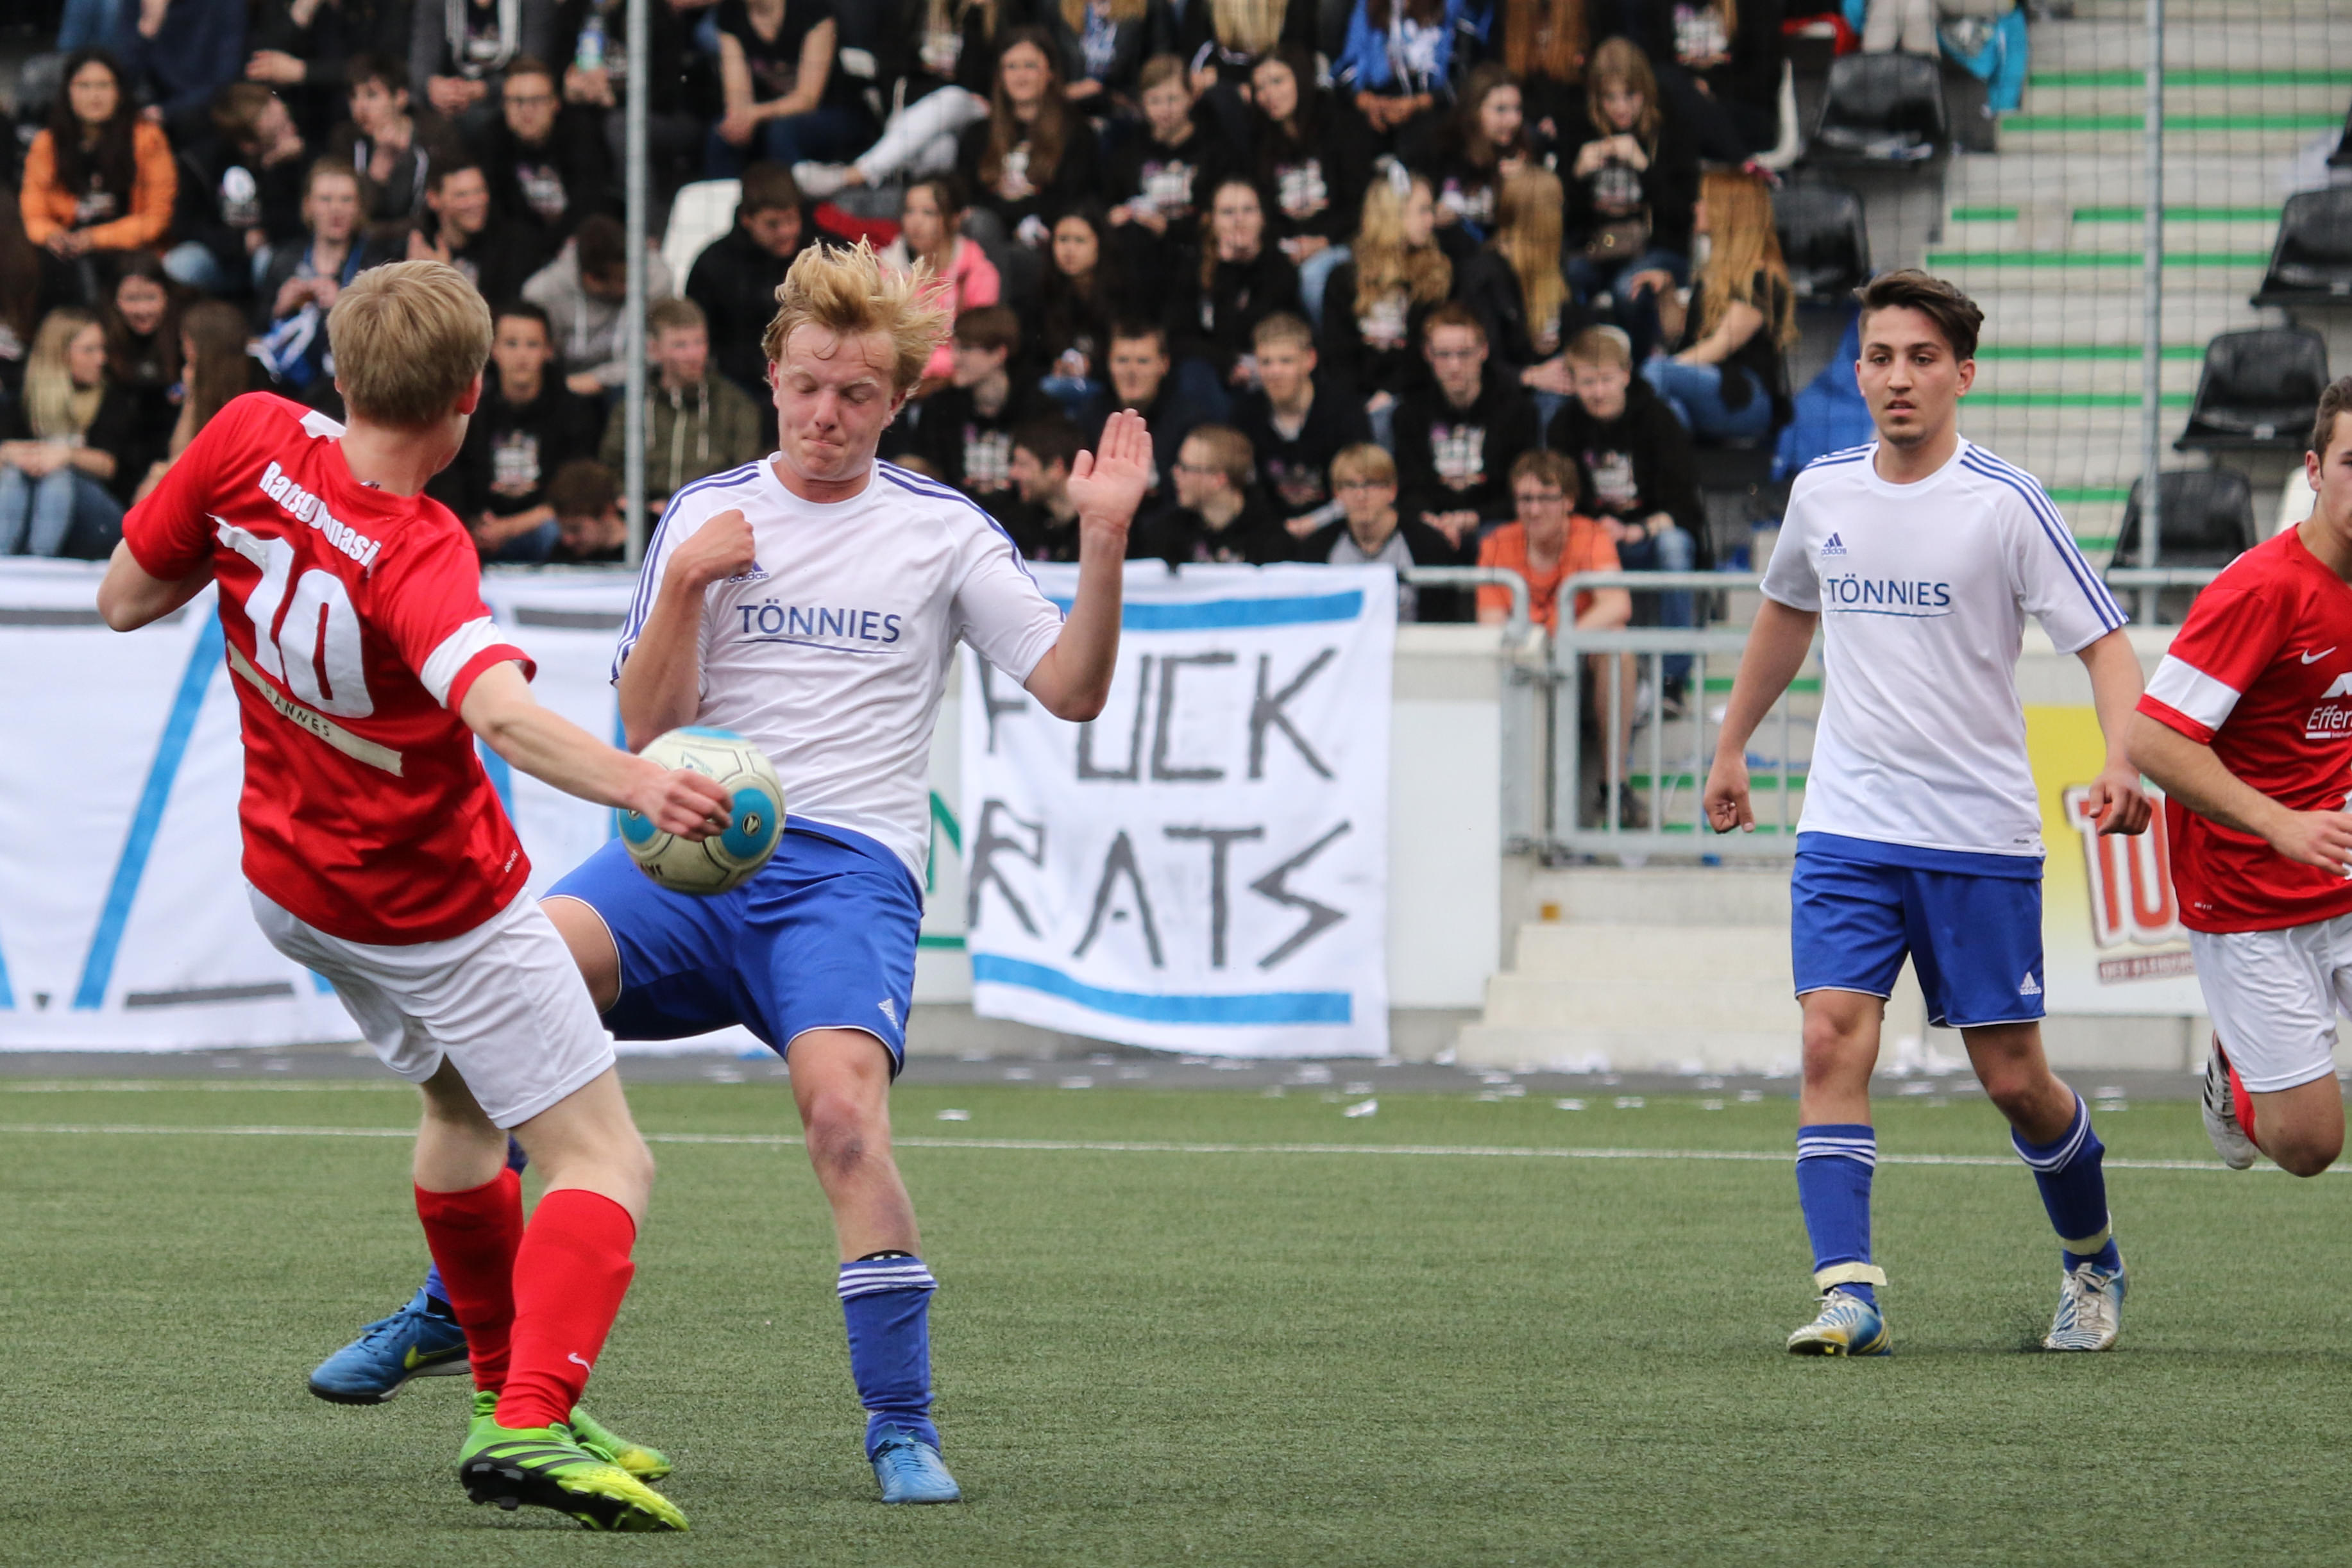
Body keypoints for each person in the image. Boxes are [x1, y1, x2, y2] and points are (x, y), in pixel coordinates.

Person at [97, 260, 733, 1530]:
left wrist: (254, 546)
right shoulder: (420, 546)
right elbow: (499, 711)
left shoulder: (247, 432)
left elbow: (123, 597)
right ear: (469, 397)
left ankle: (502, 1382)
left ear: (339, 373)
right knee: (606, 1155)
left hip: (296, 888)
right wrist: (642, 783)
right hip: (435, 907)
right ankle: (529, 1420)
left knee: (460, 1105)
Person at [541, 239, 1151, 1505]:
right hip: (682, 846)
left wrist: (1102, 542)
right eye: (810, 384)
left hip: (842, 875)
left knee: (842, 1121)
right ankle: (459, 1305)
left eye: (857, 393)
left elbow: (1073, 689)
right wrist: (687, 586)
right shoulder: (702, 515)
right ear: (772, 374)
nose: (826, 413)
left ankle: (901, 1424)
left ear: (897, 401)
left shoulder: (942, 533)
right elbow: (645, 726)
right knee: (515, 979)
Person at [1702, 269, 2151, 1358]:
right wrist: (1730, 744)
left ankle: (2090, 1257)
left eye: (1919, 358)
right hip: (1847, 823)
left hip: (1975, 836)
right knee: (1827, 1039)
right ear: (1857, 372)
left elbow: (2104, 646)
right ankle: (1847, 1293)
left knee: (2013, 1081)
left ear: (1962, 374)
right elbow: (1784, 615)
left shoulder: (2004, 502)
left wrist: (2120, 760)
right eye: (1877, 357)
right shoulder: (1821, 491)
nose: (1896, 377)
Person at [2129, 378, 2352, 1180]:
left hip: (2342, 872)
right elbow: (2152, 738)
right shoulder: (2262, 589)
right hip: (2247, 896)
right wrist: (2281, 823)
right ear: (2314, 471)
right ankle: (2234, 1064)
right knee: (2309, 1147)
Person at [1546, 324, 1706, 695]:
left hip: (1647, 536)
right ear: (1572, 382)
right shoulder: (1563, 425)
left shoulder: (1660, 419)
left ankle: (1673, 678)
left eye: (1606, 380)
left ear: (1626, 375)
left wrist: (1638, 530)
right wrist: (1593, 528)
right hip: (1589, 537)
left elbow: (1684, 507)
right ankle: (1564, 668)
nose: (1598, 392)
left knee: (1675, 546)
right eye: (1588, 382)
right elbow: (1559, 500)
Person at [1478, 448, 1637, 814]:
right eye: (1525, 499)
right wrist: (1537, 648)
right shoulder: (1496, 542)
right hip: (1522, 659)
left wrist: (1558, 639)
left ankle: (1615, 786)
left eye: (1546, 498)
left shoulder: (1592, 535)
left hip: (1578, 658)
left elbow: (1617, 605)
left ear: (1568, 501)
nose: (1534, 510)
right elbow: (1490, 624)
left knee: (1617, 644)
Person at [1562, 38, 1696, 365]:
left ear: (1646, 92)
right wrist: (1577, 175)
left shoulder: (1670, 130)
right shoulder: (1582, 130)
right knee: (1566, 277)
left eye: (1630, 95)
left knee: (1628, 289)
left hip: (1658, 247)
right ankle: (1584, 368)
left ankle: (1636, 372)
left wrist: (1644, 168)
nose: (1620, 107)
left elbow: (1683, 215)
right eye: (1610, 97)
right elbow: (1565, 221)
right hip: (1602, 246)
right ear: (1597, 98)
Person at [436, 300, 602, 560]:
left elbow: (576, 493)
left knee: (558, 530)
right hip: (479, 530)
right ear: (493, 350)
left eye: (532, 344)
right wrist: (475, 524)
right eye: (511, 344)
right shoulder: (470, 411)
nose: (521, 356)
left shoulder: (574, 411)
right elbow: (452, 482)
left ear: (549, 351)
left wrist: (508, 529)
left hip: (542, 530)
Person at [783, 0, 997, 199]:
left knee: (951, 97)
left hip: (976, 108)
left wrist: (975, 16)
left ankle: (854, 175)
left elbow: (977, 80)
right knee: (940, 146)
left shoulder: (992, 13)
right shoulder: (917, 8)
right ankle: (918, 210)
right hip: (924, 114)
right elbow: (895, 68)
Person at [1642, 168, 1795, 445]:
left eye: (1703, 201)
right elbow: (1676, 334)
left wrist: (1654, 375)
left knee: (1655, 373)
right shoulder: (1712, 273)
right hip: (1708, 385)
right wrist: (1666, 293)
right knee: (1670, 409)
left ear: (1727, 212)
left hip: (1746, 397)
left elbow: (1719, 346)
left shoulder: (1762, 279)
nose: (1695, 207)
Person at [19, 49, 177, 309]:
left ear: (120, 92)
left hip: (131, 248)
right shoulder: (47, 143)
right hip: (65, 248)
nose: (94, 96)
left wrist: (93, 238)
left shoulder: (148, 139)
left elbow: (156, 220)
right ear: (68, 92)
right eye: (84, 86)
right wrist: (53, 236)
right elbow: (33, 214)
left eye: (104, 86)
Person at [0, 307, 158, 558]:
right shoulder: (22, 396)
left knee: (57, 476)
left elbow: (110, 466)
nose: (101, 359)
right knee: (12, 475)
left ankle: (40, 559)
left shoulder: (112, 399)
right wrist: (10, 453)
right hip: (26, 506)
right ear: (60, 354)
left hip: (96, 518)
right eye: (89, 350)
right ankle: (5, 557)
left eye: (102, 349)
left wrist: (66, 455)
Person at [598, 297, 766, 516]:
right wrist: (629, 500)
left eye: (699, 342)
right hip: (643, 515)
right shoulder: (633, 404)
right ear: (654, 349)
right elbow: (611, 465)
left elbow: (746, 473)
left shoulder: (736, 405)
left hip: (711, 514)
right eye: (680, 345)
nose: (693, 355)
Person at [1392, 303, 1538, 552]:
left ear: (1483, 351)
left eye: (1464, 354)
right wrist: (1431, 519)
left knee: (1494, 539)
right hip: (1433, 521)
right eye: (1444, 355)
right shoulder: (1409, 414)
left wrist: (1474, 517)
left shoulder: (1517, 410)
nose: (1455, 366)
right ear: (1428, 354)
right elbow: (1408, 488)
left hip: (1493, 520)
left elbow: (1521, 489)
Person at [1320, 171, 1450, 444]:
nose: (1431, 220)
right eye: (1423, 211)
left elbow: (1425, 353)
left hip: (1415, 394)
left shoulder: (1436, 274)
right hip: (1359, 397)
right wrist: (1357, 405)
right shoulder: (1344, 278)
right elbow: (1338, 356)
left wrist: (1389, 392)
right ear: (1393, 215)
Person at [954, 28, 1102, 263]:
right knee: (979, 223)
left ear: (1050, 73)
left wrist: (1017, 219)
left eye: (1030, 66)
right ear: (1000, 76)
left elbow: (1070, 200)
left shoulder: (1077, 133)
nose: (1020, 76)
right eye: (1011, 67)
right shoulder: (977, 134)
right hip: (989, 243)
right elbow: (968, 198)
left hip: (1046, 246)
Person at [255, 159, 400, 396]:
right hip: (284, 382)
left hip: (349, 384)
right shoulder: (284, 260)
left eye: (346, 200)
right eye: (325, 199)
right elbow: (258, 331)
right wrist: (279, 309)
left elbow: (388, 338)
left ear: (359, 207)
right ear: (308, 206)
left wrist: (343, 307)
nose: (336, 209)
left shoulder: (377, 264)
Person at [1455, 166, 1588, 424]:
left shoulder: (1557, 263)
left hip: (1558, 377)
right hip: (1512, 392)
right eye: (1557, 207)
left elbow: (1574, 331)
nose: (1563, 215)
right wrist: (1529, 376)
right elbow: (1480, 360)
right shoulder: (1484, 276)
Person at [689, 164, 822, 418]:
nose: (786, 231)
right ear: (747, 219)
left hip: (815, 385)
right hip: (738, 394)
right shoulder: (713, 265)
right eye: (773, 224)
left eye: (792, 219)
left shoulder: (824, 255)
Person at [1246, 47, 1364, 329]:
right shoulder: (1260, 140)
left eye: (1277, 81)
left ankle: (1325, 351)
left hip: (1343, 242)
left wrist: (1323, 241)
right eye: (1260, 88)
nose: (1269, 95)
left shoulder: (1340, 125)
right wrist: (1285, 244)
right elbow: (1265, 210)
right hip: (1289, 246)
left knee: (1313, 277)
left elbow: (1360, 204)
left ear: (1300, 78)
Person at [167, 81, 310, 296]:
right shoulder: (201, 163)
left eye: (288, 121)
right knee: (180, 264)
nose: (292, 130)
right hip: (220, 258)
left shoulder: (295, 159)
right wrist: (238, 242)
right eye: (280, 130)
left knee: (270, 262)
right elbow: (185, 226)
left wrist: (276, 171)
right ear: (248, 145)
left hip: (271, 254)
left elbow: (298, 222)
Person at [1232, 312, 1370, 534]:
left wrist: (1311, 524)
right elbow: (1243, 488)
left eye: (1286, 361)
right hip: (1269, 533)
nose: (1275, 371)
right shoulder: (1245, 413)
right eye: (1266, 362)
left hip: (1339, 528)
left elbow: (1363, 486)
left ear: (1310, 360)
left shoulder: (1344, 410)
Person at [1299, 441, 1466, 621]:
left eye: (1371, 484)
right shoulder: (1317, 548)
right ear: (1337, 494)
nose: (1361, 495)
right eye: (1350, 485)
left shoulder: (1428, 545)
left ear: (1392, 490)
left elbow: (1443, 623)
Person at [707, 0, 876, 176]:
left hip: (834, 110)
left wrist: (754, 114)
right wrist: (739, 119)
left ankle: (789, 193)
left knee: (782, 132)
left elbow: (808, 99)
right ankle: (728, 193)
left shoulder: (812, 8)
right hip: (768, 112)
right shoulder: (730, 13)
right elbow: (737, 91)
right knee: (723, 135)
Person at [1103, 54, 1228, 293]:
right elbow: (1110, 201)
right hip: (1141, 251)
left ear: (1191, 97)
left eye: (1173, 99)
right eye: (1155, 101)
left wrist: (1168, 229)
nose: (1164, 110)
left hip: (1192, 250)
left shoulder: (1213, 148)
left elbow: (1213, 215)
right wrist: (1117, 215)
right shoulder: (1129, 151)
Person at [1166, 178, 1302, 390]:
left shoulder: (1279, 267)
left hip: (1265, 366)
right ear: (1212, 221)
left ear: (1262, 218)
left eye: (1248, 210)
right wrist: (1226, 363)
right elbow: (1179, 337)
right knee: (1192, 373)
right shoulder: (1195, 267)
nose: (1239, 220)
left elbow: (1262, 328)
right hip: (1214, 367)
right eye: (1228, 212)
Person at [525, 214, 678, 398]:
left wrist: (600, 380)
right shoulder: (543, 293)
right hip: (565, 387)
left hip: (629, 384)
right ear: (591, 279)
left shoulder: (657, 279)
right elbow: (539, 357)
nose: (631, 286)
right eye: (621, 280)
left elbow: (655, 352)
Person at [477, 55, 618, 253]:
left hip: (577, 244)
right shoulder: (492, 139)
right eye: (517, 101)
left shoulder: (580, 133)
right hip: (520, 248)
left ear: (555, 104)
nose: (527, 111)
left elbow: (589, 202)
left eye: (537, 100)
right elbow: (498, 213)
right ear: (504, 106)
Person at [879, 177, 1000, 389]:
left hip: (955, 389)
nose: (915, 222)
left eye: (929, 212)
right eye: (909, 211)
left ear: (955, 218)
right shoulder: (888, 269)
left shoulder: (978, 273)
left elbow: (976, 349)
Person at [910, 304, 1036, 509]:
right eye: (954, 348)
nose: (955, 358)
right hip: (954, 514)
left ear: (999, 354)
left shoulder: (1035, 407)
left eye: (966, 349)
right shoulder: (939, 407)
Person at [134, 297, 254, 501]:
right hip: (204, 476)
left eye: (185, 341)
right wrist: (192, 397)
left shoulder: (254, 383)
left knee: (155, 484)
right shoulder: (195, 380)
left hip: (235, 484)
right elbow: (177, 450)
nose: (183, 349)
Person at [327, 55, 464, 228]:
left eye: (371, 95)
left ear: (400, 97)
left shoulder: (436, 135)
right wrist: (376, 174)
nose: (360, 107)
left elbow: (444, 202)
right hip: (364, 238)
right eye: (353, 96)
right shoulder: (345, 139)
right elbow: (349, 214)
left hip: (424, 235)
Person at [1638, 0, 1783, 165]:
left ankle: (1741, 162)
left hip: (1740, 113)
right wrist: (1691, 91)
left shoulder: (1755, 6)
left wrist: (1712, 89)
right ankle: (1744, 164)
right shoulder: (1660, 6)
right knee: (1663, 83)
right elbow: (1653, 67)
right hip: (1679, 113)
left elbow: (1766, 77)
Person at [1130, 423, 1292, 564]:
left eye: (1185, 468)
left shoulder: (1270, 540)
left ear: (1218, 479)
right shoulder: (1166, 532)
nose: (1175, 473)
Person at [1101, 319, 1222, 505]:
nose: (1131, 371)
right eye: (1122, 360)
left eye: (1143, 361)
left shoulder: (1191, 421)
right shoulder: (1091, 415)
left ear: (1164, 365)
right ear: (1109, 363)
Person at [1335, 0, 1468, 160]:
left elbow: (1462, 77)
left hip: (1429, 100)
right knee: (1349, 130)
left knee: (1429, 133)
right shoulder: (1368, 6)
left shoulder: (1451, 7)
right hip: (1377, 97)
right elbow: (1348, 67)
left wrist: (1417, 104)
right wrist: (1369, 103)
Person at [406, 161, 545, 308]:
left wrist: (446, 281)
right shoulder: (420, 247)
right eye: (461, 195)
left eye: (479, 191)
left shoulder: (513, 244)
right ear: (433, 199)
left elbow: (508, 315)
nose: (475, 202)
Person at [411, 0, 557, 138]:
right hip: (449, 106)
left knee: (526, 99)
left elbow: (534, 68)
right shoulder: (434, 3)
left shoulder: (535, 4)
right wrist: (433, 86)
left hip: (507, 100)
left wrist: (486, 89)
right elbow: (421, 66)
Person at [1034, 205, 1126, 419]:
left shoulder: (1122, 293)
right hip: (1057, 386)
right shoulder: (1043, 292)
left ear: (1099, 244)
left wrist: (1092, 367)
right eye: (1063, 240)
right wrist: (1056, 366)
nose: (1069, 250)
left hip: (1108, 387)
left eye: (1080, 241)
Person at [1430, 63, 1527, 260]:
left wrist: (1524, 183)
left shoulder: (1524, 151)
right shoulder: (1443, 149)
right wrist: (1432, 213)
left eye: (1517, 109)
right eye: (1501, 110)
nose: (1514, 120)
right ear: (1474, 110)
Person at [1002, 413, 1089, 560]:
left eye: (1023, 465)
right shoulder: (1022, 523)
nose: (1013, 474)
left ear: (1056, 468)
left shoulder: (1098, 528)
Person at [548, 457, 628, 562]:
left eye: (575, 529)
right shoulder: (562, 554)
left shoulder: (646, 551)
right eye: (562, 530)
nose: (567, 540)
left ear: (607, 512)